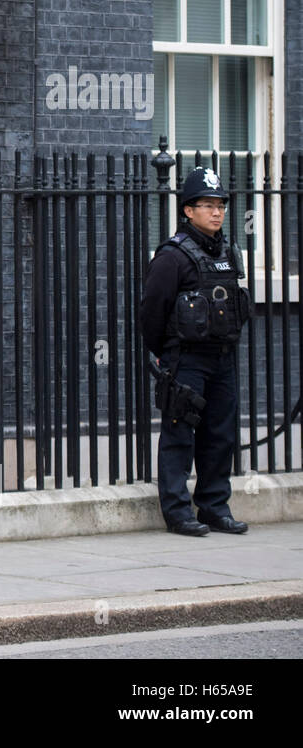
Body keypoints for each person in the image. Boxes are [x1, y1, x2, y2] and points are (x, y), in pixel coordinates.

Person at [140, 166, 250, 536]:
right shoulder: (172, 256)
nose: (217, 212)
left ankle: (214, 507)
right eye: (208, 205)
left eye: (220, 205)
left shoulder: (228, 252)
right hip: (186, 360)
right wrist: (167, 357)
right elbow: (152, 312)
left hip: (222, 358)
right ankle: (177, 512)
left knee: (220, 435)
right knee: (180, 434)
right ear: (188, 210)